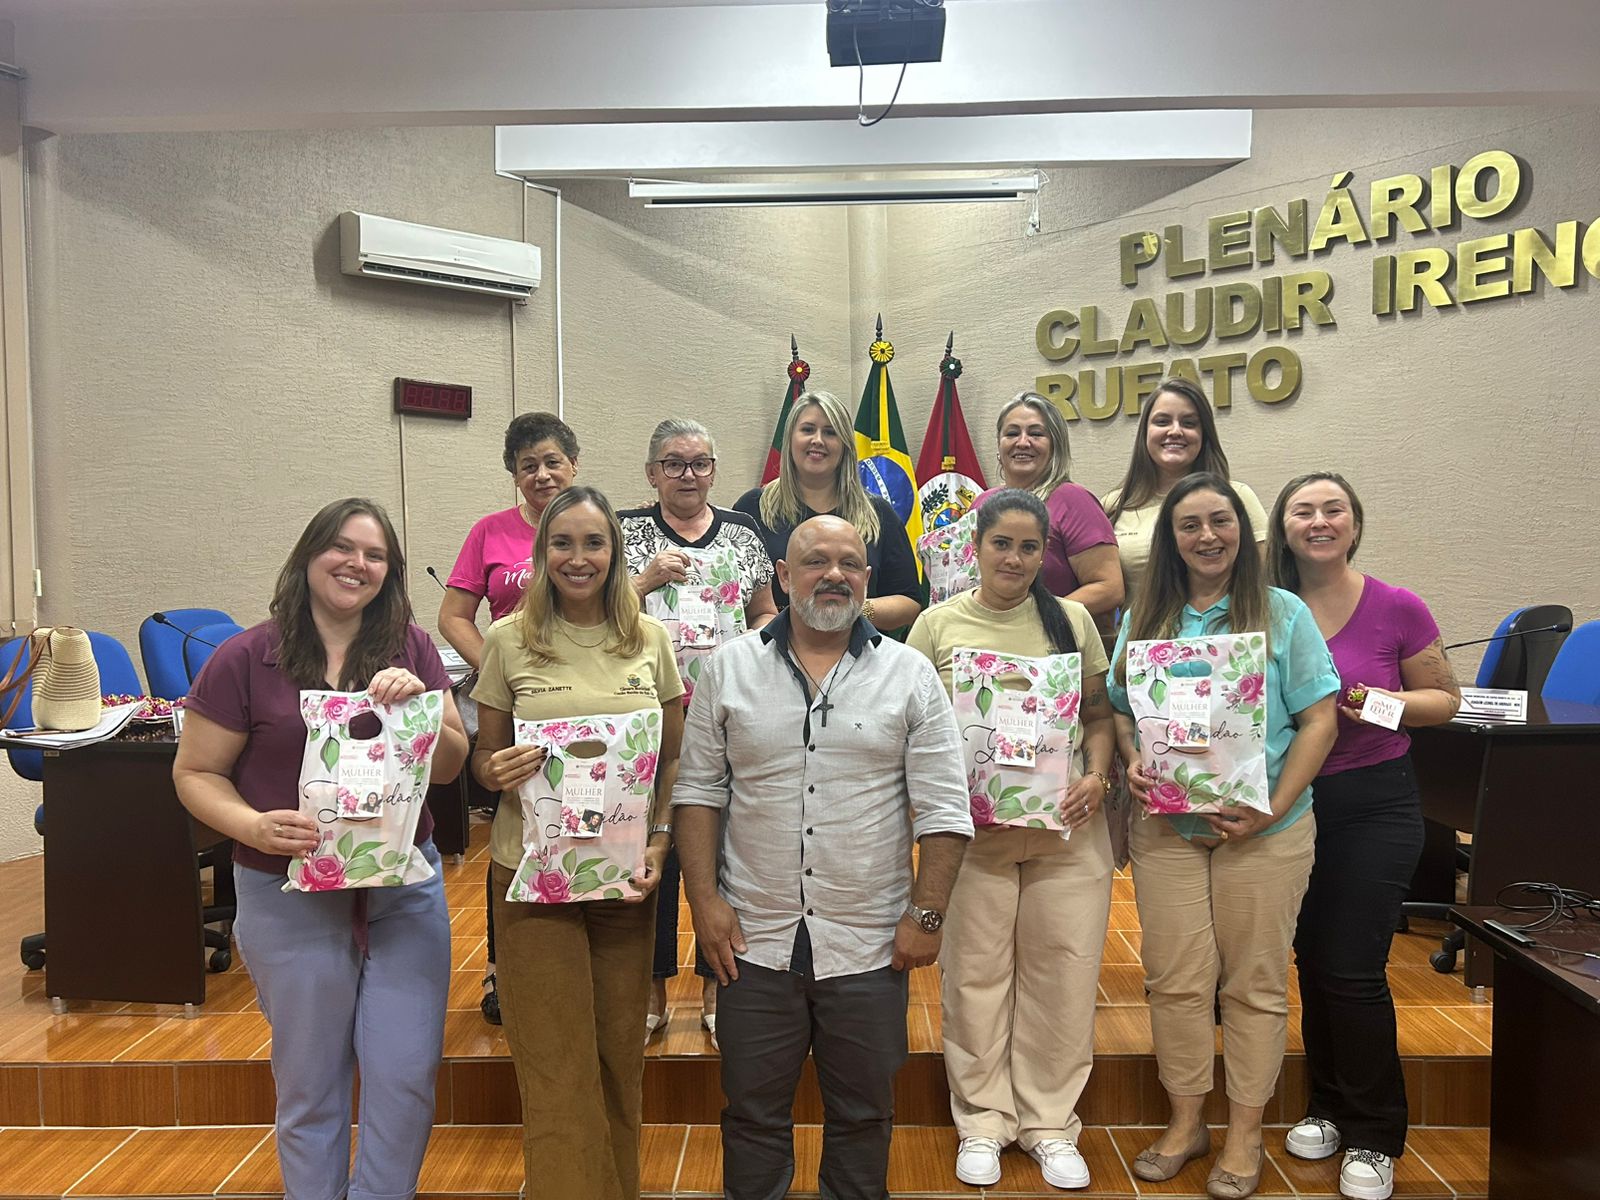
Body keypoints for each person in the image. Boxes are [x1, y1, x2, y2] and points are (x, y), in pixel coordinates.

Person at [174, 497, 469, 1200]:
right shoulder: (247, 656)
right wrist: (249, 826)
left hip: (402, 890)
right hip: (286, 895)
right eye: (342, 547)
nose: (356, 564)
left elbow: (455, 763)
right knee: (311, 1086)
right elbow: (194, 772)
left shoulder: (413, 648)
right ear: (309, 555)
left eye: (374, 555)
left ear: (389, 573)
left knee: (403, 1080)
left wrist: (419, 712)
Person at [674, 515, 972, 1200]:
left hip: (869, 942)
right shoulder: (728, 668)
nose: (834, 574)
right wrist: (704, 905)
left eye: (850, 563)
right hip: (752, 938)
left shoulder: (911, 675)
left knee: (864, 1116)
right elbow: (696, 795)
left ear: (868, 580)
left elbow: (945, 812)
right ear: (782, 576)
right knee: (750, 1115)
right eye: (815, 561)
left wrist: (925, 918)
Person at [1108, 473, 1339, 1200]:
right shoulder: (1147, 615)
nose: (1207, 536)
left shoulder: (1283, 612)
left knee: (1255, 986)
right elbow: (1118, 707)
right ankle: (1186, 1123)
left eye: (1221, 521)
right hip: (1170, 831)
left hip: (1265, 832)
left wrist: (1271, 807)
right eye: (1189, 526)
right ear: (1171, 541)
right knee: (1174, 982)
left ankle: (1244, 1132)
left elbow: (1321, 721)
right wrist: (1131, 755)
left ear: (1244, 530)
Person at [470, 484, 684, 1200]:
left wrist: (660, 839)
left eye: (594, 543)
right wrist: (492, 768)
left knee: (619, 1056)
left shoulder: (649, 640)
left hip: (625, 876)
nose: (579, 557)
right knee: (555, 1065)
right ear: (541, 553)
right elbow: (484, 763)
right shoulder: (507, 640)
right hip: (534, 879)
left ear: (616, 554)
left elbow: (675, 760)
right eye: (563, 543)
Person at [905, 488, 1116, 1191]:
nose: (1016, 558)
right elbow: (910, 728)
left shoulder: (1074, 620)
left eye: (1030, 547)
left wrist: (1098, 775)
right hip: (973, 839)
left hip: (1066, 832)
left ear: (1043, 554)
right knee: (976, 977)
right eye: (1003, 544)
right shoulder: (936, 626)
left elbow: (1097, 714)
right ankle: (983, 1120)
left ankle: (1051, 1124)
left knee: (1064, 972)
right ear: (976, 547)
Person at [1267, 472, 1461, 1200]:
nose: (1319, 521)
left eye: (1333, 510)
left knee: (1352, 968)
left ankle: (1376, 1134)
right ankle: (1327, 1104)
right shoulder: (1268, 608)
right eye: (1303, 510)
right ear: (1284, 527)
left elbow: (1446, 700)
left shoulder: (1396, 606)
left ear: (1354, 523)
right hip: (1289, 802)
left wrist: (1383, 703)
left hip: (1371, 805)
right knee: (1312, 962)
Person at [618, 416, 777, 1048]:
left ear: (714, 469)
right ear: (652, 472)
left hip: (727, 716)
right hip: (644, 716)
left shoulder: (741, 534)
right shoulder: (627, 533)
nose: (689, 475)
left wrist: (754, 648)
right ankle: (651, 987)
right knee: (648, 849)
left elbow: (766, 611)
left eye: (701, 463)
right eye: (675, 464)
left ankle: (719, 983)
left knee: (721, 854)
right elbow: (596, 615)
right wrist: (646, 580)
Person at [438, 410, 579, 1024]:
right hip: (517, 715)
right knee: (515, 837)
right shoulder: (489, 532)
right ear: (514, 476)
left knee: (582, 824)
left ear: (573, 465)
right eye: (529, 466)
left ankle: (578, 956)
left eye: (552, 461)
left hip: (584, 709)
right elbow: (453, 616)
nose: (542, 474)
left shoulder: (593, 526)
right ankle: (501, 970)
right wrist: (499, 672)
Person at [733, 389, 922, 631]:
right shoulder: (753, 509)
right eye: (808, 429)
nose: (818, 440)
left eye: (830, 432)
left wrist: (847, 607)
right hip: (773, 655)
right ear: (790, 438)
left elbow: (909, 602)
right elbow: (733, 594)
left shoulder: (878, 513)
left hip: (856, 655)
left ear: (845, 445)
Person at [1101, 377, 1268, 612]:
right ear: (1145, 432)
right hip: (1144, 639)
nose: (1175, 431)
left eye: (1189, 423)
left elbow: (1261, 580)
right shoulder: (1113, 506)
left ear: (1204, 433)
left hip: (1229, 641)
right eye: (1162, 421)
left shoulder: (1238, 496)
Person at [979, 391, 1122, 625]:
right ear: (999, 445)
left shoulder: (1073, 500)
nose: (1022, 442)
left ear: (1056, 445)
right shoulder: (981, 504)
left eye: (1036, 434)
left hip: (1052, 646)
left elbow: (1109, 588)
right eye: (1012, 433)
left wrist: (1035, 621)